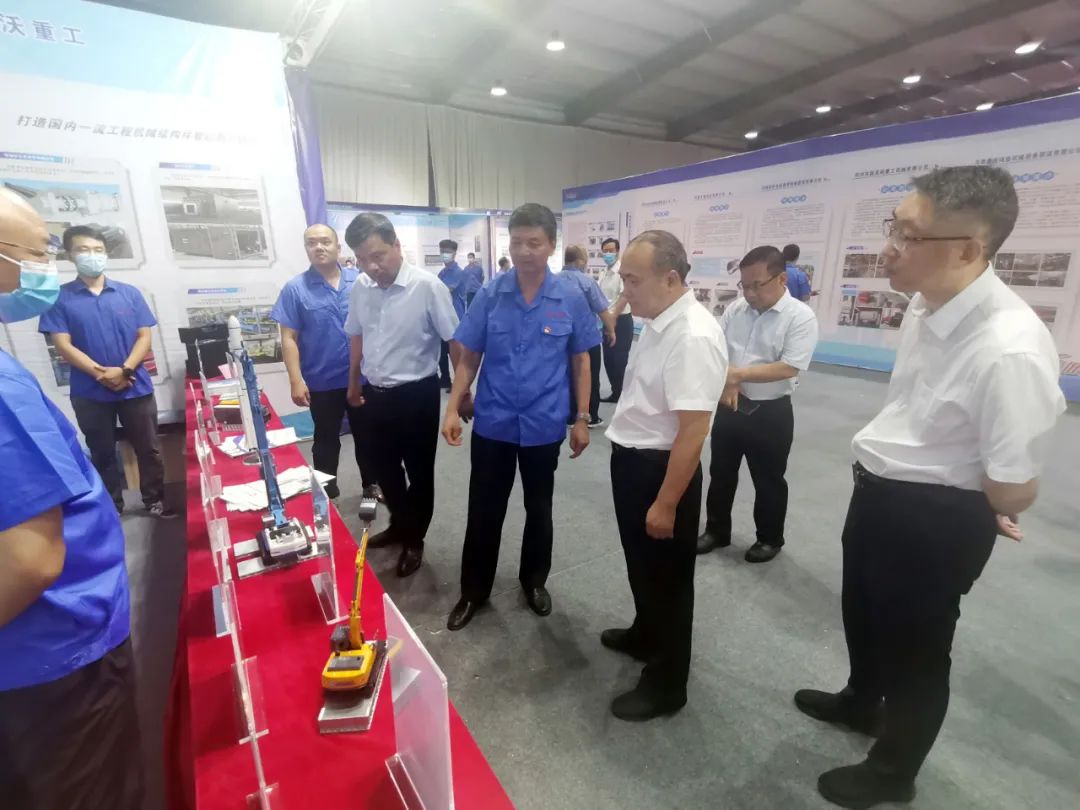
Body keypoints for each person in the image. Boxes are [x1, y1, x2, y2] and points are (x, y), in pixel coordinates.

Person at [795, 165, 1065, 809]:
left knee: (918, 651)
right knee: (864, 612)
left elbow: (1013, 489)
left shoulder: (1011, 349)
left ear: (969, 249)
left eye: (908, 236)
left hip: (936, 519)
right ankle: (862, 700)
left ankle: (894, 772)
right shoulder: (926, 303)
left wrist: (986, 501)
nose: (888, 247)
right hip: (882, 493)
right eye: (893, 227)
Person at [0, 188, 143, 809]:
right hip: (51, 656)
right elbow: (28, 560)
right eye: (37, 253)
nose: (47, 267)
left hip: (48, 647)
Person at [442, 204, 599, 631]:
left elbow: (581, 361)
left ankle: (534, 581)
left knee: (539, 508)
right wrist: (453, 406)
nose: (525, 251)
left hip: (544, 422)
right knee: (484, 509)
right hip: (494, 421)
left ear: (551, 245)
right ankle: (473, 592)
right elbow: (469, 355)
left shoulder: (569, 296)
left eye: (535, 243)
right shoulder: (492, 293)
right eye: (517, 242)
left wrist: (581, 417)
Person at [601, 230, 727, 721]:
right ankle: (646, 633)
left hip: (662, 471)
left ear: (670, 279)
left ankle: (667, 683)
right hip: (634, 461)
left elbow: (694, 430)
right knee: (643, 566)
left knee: (669, 582)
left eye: (633, 280)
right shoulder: (658, 322)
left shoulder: (692, 334)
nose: (625, 290)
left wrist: (667, 502)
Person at [344, 213, 460, 577]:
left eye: (378, 256)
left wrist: (461, 394)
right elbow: (357, 336)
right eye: (362, 259)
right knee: (383, 469)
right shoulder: (361, 287)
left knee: (419, 472)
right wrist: (353, 382)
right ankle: (400, 525)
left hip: (416, 395)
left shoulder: (427, 287)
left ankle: (414, 539)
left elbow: (455, 342)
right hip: (375, 394)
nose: (371, 266)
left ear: (397, 245)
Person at [38, 225, 173, 518]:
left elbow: (144, 337)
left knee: (149, 450)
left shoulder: (129, 294)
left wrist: (124, 370)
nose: (92, 255)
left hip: (135, 385)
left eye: (98, 250)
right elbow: (63, 345)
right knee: (101, 453)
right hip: (90, 392)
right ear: (70, 255)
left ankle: (154, 501)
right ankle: (112, 509)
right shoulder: (59, 298)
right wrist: (102, 374)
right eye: (83, 250)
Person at [698, 245, 818, 563]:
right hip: (731, 404)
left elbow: (789, 366)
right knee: (721, 472)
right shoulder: (737, 309)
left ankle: (769, 538)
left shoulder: (800, 317)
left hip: (771, 411)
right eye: (745, 285)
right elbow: (718, 348)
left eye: (757, 285)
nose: (750, 293)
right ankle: (717, 530)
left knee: (768, 480)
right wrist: (729, 380)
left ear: (781, 280)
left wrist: (736, 374)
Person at [271, 224, 379, 502]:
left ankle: (371, 484)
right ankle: (326, 492)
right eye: (312, 243)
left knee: (369, 436)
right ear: (306, 248)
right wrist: (296, 380)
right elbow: (288, 338)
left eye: (325, 241)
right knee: (325, 441)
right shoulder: (295, 289)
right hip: (322, 381)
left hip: (364, 377)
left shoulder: (361, 281)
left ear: (338, 247)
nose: (319, 247)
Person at [562, 244, 616, 428]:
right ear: (580, 261)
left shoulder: (553, 280)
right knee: (589, 376)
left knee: (566, 375)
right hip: (586, 338)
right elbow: (602, 309)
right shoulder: (586, 282)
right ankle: (590, 415)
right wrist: (611, 329)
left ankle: (569, 415)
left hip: (561, 338)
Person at [597, 237, 633, 402]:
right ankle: (615, 393)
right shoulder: (603, 273)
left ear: (618, 251)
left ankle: (624, 396)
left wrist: (613, 316)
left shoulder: (622, 272)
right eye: (605, 251)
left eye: (611, 250)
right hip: (606, 321)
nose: (608, 254)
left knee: (619, 360)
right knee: (608, 360)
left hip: (621, 321)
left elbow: (625, 295)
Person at [437, 238, 467, 391]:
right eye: (442, 251)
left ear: (454, 253)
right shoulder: (441, 273)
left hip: (455, 317)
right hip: (441, 316)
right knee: (442, 351)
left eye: (447, 252)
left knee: (455, 352)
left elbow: (446, 290)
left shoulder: (458, 272)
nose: (444, 254)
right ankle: (445, 379)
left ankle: (460, 385)